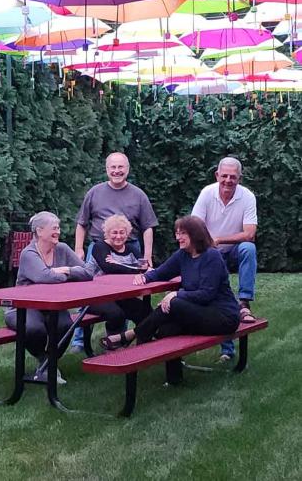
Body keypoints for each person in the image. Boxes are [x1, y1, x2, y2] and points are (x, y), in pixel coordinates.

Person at [100, 216, 240, 383]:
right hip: (199, 314)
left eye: (182, 233)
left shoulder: (212, 257)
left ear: (195, 234)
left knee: (174, 303)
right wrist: (145, 278)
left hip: (223, 317)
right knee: (166, 330)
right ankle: (174, 379)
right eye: (177, 233)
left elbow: (206, 294)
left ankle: (133, 334)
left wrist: (176, 294)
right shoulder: (183, 255)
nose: (177, 237)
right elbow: (161, 272)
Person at [71, 152, 158, 352]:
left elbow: (148, 227)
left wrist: (147, 257)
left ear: (127, 169)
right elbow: (81, 223)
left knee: (126, 294)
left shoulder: (138, 195)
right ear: (107, 169)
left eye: (121, 167)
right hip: (99, 247)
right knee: (90, 290)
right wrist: (78, 249)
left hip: (130, 247)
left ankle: (119, 338)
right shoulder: (94, 192)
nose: (117, 171)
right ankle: (78, 340)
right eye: (113, 167)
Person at [4, 211, 92, 384]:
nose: (58, 232)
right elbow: (45, 278)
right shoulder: (29, 253)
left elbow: (88, 272)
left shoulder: (62, 249)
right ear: (39, 231)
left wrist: (65, 270)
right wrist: (56, 273)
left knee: (67, 325)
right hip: (23, 308)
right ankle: (45, 362)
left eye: (58, 228)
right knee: (34, 329)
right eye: (54, 228)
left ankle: (48, 365)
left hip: (52, 306)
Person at [191, 156, 257, 362]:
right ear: (217, 175)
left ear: (240, 178)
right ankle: (227, 349)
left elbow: (249, 233)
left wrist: (219, 239)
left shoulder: (247, 196)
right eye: (224, 176)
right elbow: (195, 226)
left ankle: (244, 302)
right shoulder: (206, 193)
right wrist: (210, 245)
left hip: (232, 247)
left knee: (248, 248)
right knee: (219, 293)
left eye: (233, 177)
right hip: (212, 252)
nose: (228, 180)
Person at [86, 214, 151, 336]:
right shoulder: (100, 247)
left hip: (120, 295)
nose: (118, 236)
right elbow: (109, 268)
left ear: (127, 234)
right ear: (107, 233)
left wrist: (119, 264)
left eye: (122, 232)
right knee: (116, 314)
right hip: (95, 296)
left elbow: (144, 267)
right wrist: (135, 270)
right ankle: (113, 344)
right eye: (114, 233)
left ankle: (144, 343)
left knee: (145, 311)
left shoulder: (131, 249)